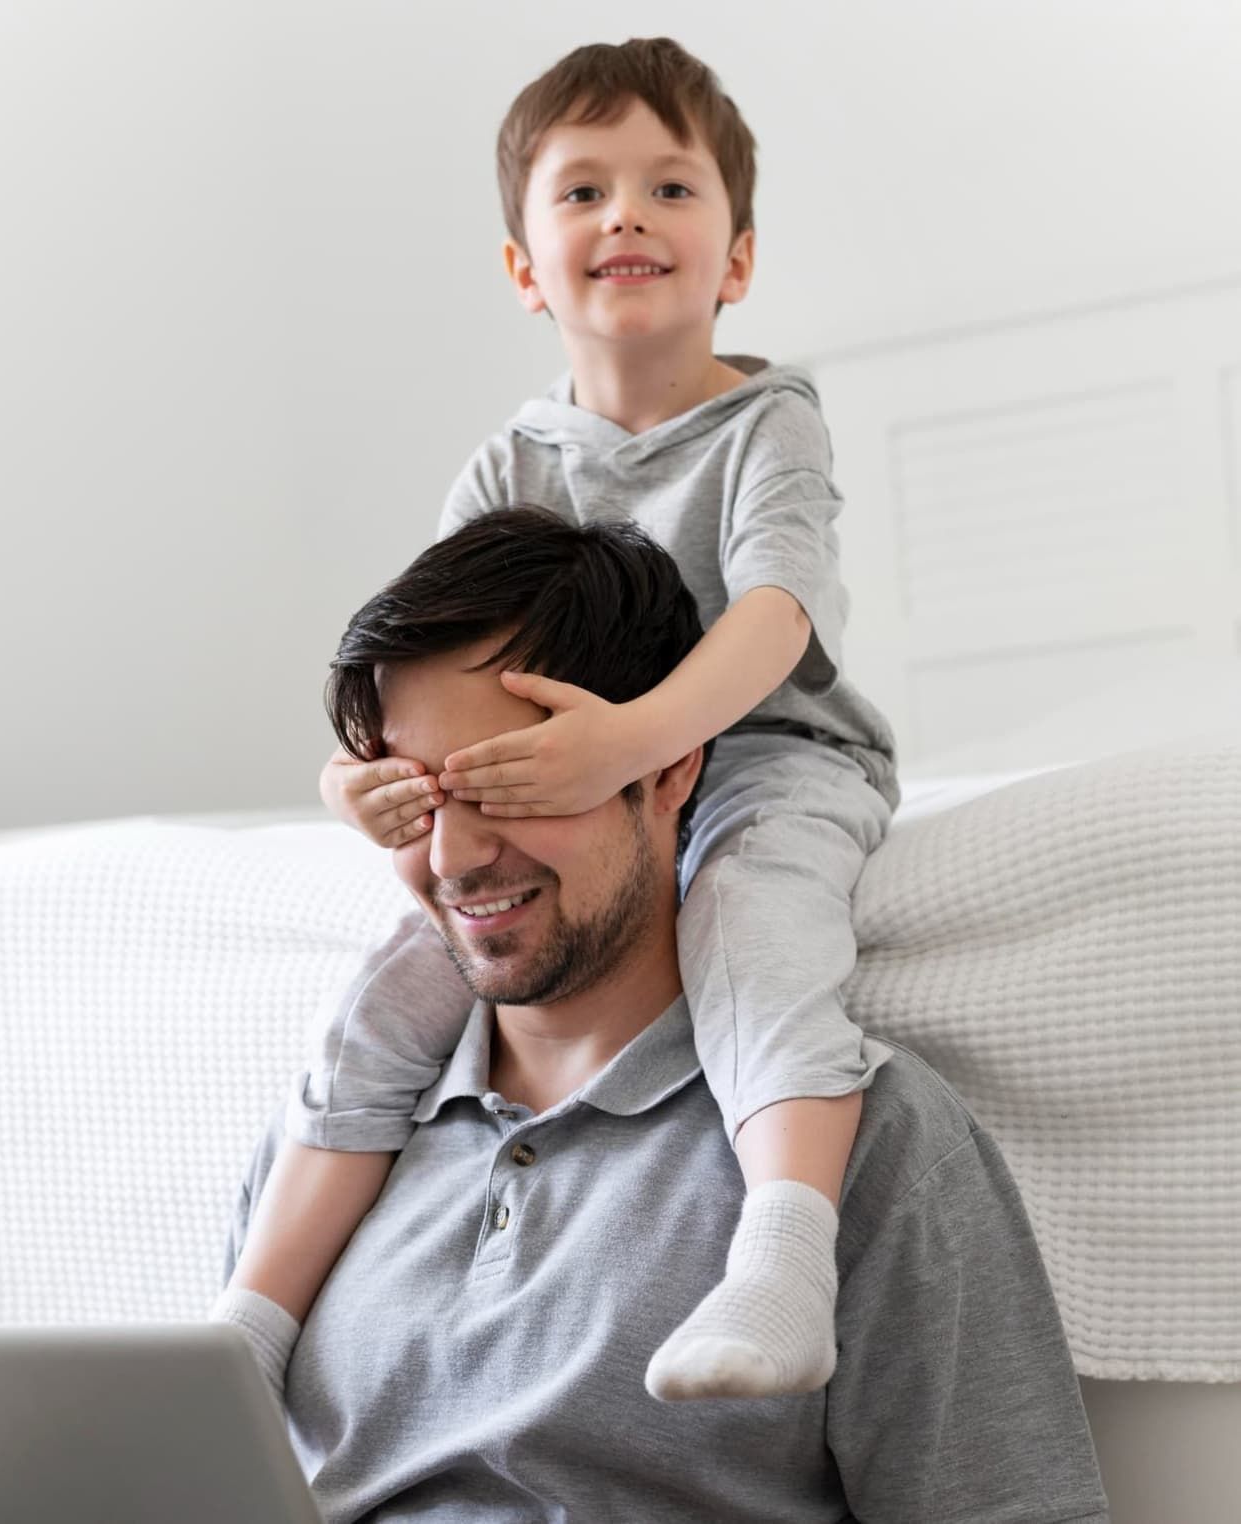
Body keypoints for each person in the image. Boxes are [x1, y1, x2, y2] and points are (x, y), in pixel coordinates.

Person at [213, 36, 902, 1404]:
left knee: (754, 932)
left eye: (670, 189)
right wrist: (364, 778)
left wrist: (638, 739)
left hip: (766, 755)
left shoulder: (769, 426)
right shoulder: (508, 463)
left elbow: (773, 619)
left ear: (738, 259)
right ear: (527, 268)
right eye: (581, 193)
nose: (626, 215)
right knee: (394, 994)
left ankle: (782, 1254)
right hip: (561, 783)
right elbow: (420, 661)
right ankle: (249, 1326)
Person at [223, 508, 1110, 1522]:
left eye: (511, 783)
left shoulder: (863, 1141)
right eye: (409, 801)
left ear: (670, 765)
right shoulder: (329, 1141)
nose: (452, 857)